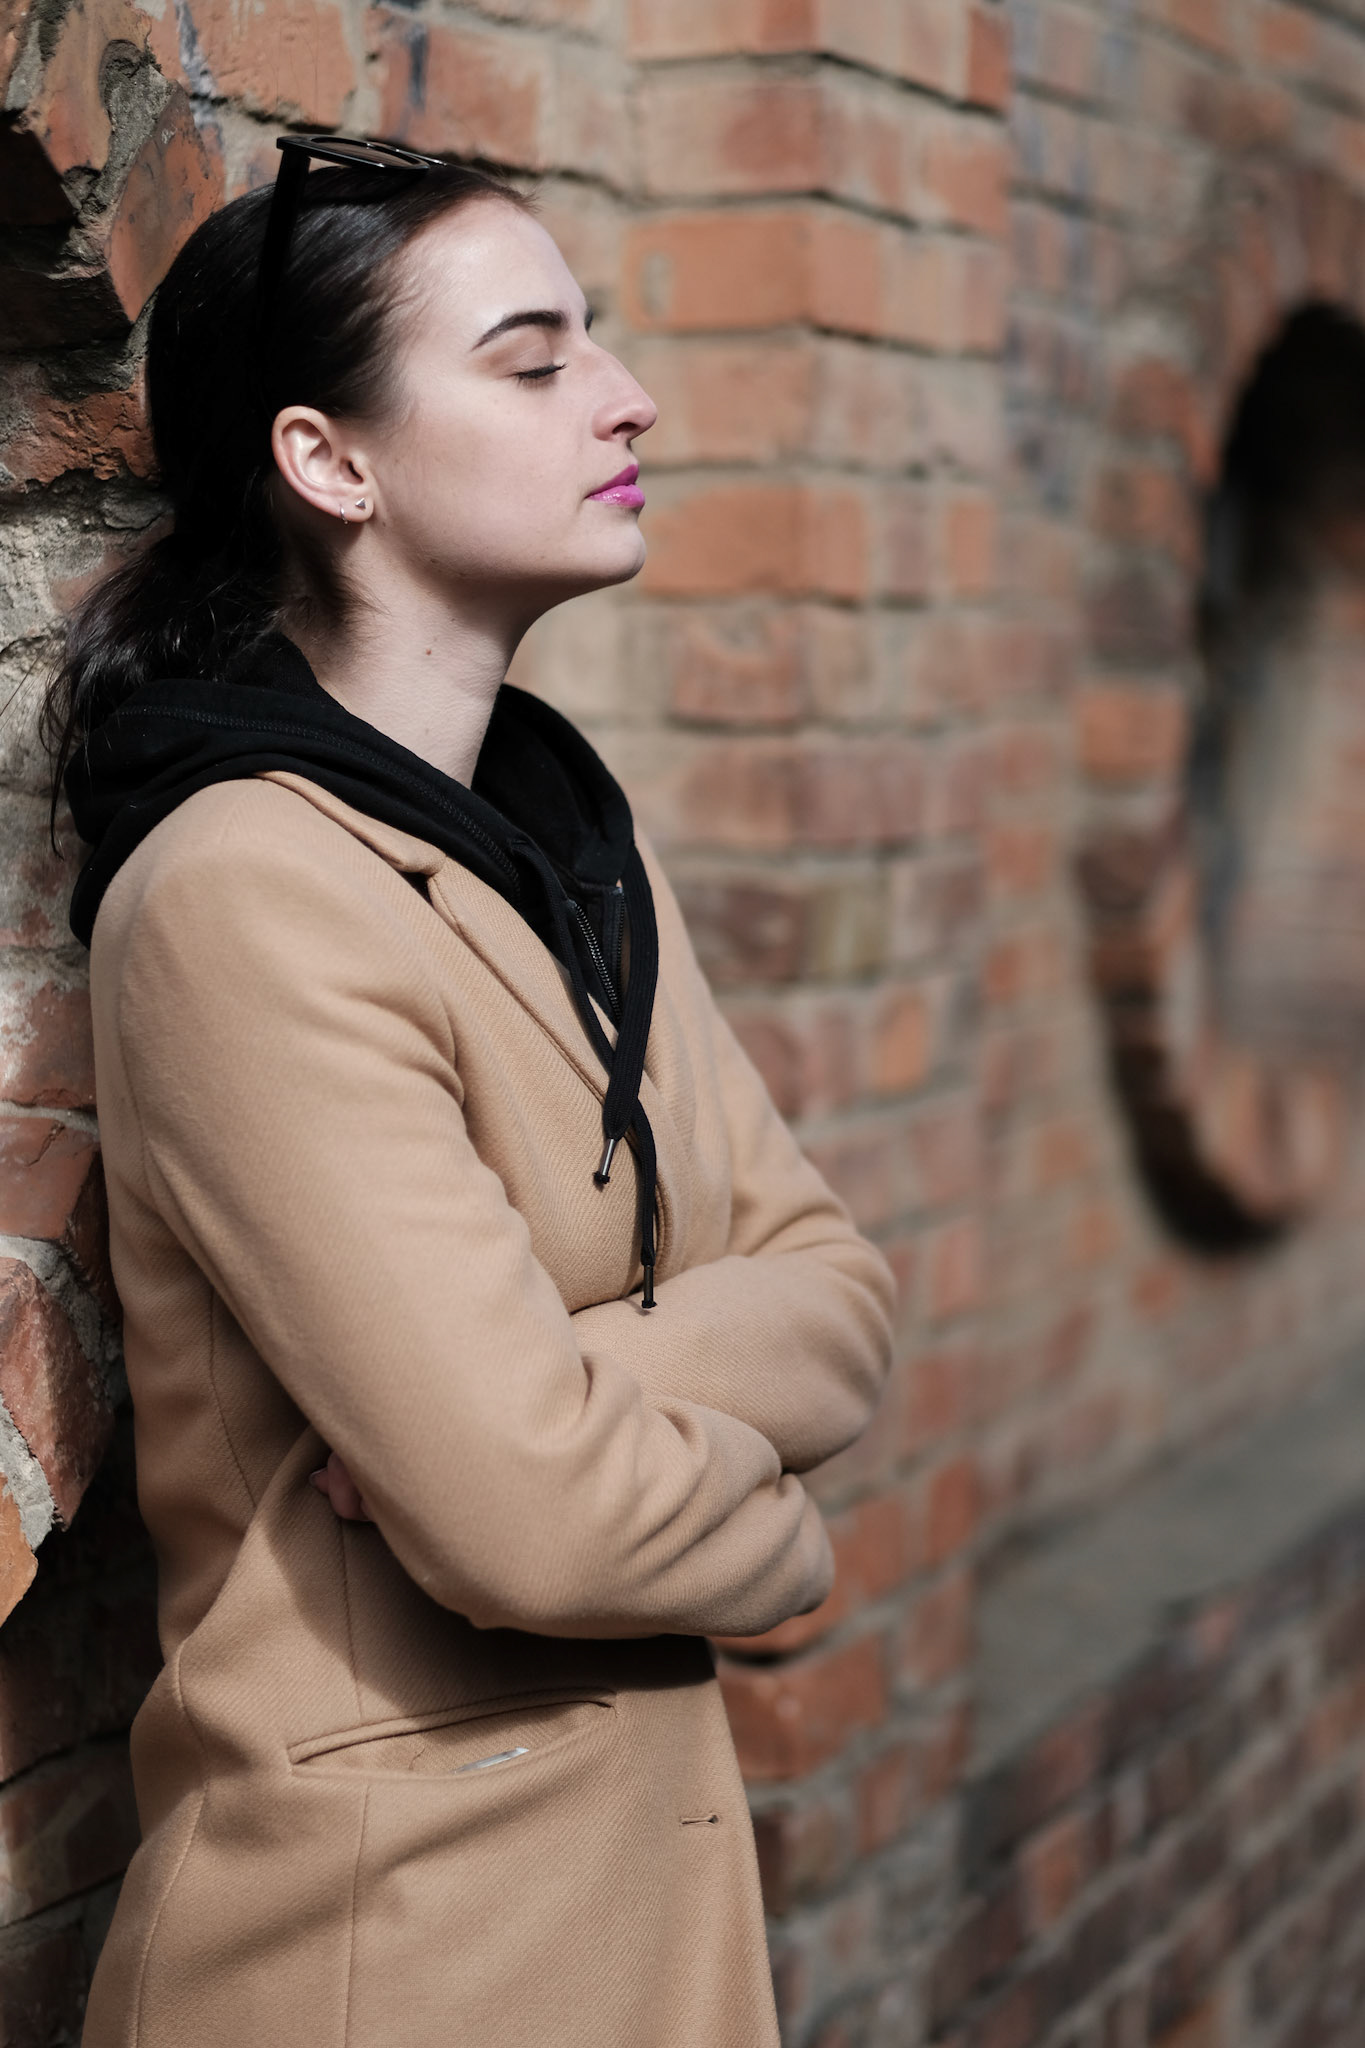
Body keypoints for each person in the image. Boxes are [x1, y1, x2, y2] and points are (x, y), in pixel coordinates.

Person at [45, 135, 895, 2048]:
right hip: (394, 1948)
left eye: (595, 339)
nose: (625, 395)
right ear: (328, 461)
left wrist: (564, 1400)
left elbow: (838, 1292)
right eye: (532, 361)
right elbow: (529, 1525)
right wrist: (782, 1536)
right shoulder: (243, 892)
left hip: (628, 1914)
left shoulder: (565, 837)